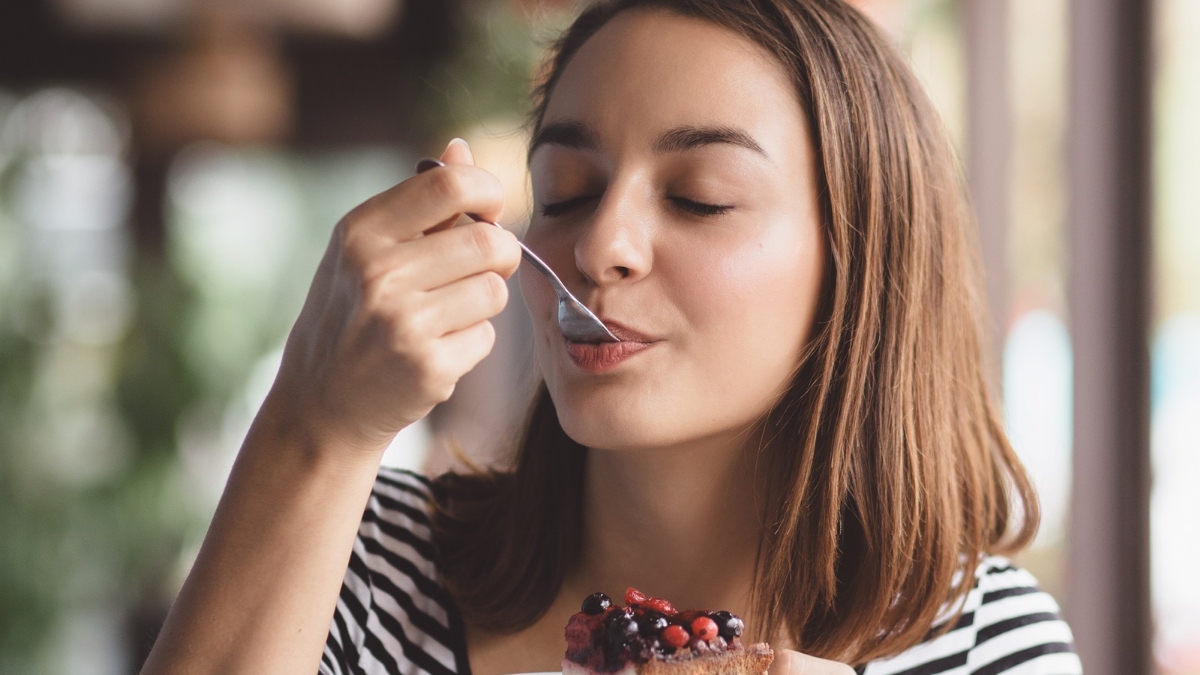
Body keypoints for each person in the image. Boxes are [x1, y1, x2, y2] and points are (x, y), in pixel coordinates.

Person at [140, 1, 1084, 674]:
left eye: (699, 198)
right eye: (567, 192)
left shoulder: (980, 642)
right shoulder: (370, 558)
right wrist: (317, 418)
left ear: (860, 264)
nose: (599, 245)